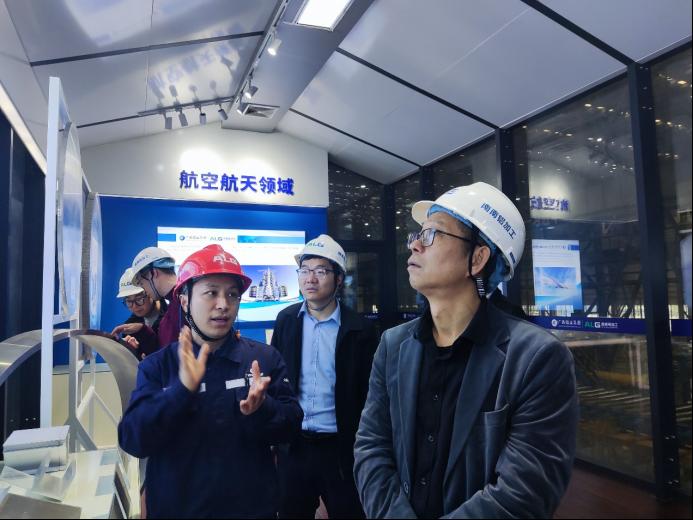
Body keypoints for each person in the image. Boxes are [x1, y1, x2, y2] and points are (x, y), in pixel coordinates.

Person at [354, 182, 578, 518]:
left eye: (432, 234)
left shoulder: (536, 358)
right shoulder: (393, 345)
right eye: (417, 234)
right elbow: (371, 447)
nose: (414, 244)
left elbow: (526, 490)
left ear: (477, 258)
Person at [118, 244, 303, 518]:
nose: (223, 305)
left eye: (232, 294)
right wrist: (180, 392)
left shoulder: (263, 359)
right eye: (211, 293)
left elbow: (291, 427)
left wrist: (263, 408)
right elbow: (134, 440)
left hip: (251, 511)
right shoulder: (157, 367)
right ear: (184, 301)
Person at [271, 234, 378, 519]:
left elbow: (370, 393)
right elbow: (276, 379)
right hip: (295, 445)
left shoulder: (360, 330)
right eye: (304, 270)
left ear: (339, 279)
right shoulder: (286, 320)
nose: (310, 279)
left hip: (340, 448)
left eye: (320, 271)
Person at [112, 247, 180, 352]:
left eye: (142, 283)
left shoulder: (180, 307)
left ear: (154, 273)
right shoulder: (175, 307)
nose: (135, 306)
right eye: (129, 301)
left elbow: (169, 355)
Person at [112, 267, 167, 359]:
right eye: (129, 301)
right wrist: (133, 351)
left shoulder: (171, 317)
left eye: (139, 299)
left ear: (150, 292)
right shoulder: (130, 326)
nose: (134, 306)